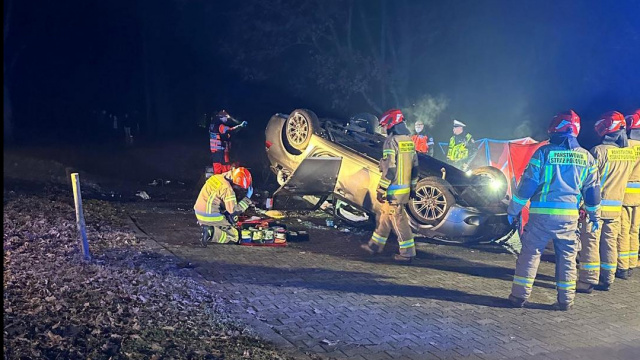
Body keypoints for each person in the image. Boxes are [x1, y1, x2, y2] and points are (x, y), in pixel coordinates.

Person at [507, 110, 600, 311]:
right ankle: (566, 300)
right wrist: (594, 216)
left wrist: (513, 209)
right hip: (569, 219)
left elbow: (527, 185)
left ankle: (518, 297)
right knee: (567, 258)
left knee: (530, 254)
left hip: (541, 217)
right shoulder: (587, 158)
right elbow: (592, 191)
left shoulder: (543, 152)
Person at [577, 111, 635, 292]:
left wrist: (582, 204)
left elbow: (590, 181)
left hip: (597, 208)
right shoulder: (627, 155)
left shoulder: (598, 152)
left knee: (591, 243)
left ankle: (588, 280)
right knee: (610, 243)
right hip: (616, 209)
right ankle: (607, 278)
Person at [360, 109, 419, 262]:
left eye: (386, 125)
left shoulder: (391, 142)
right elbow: (415, 167)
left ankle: (407, 254)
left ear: (392, 124)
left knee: (399, 220)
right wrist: (412, 187)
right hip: (405, 189)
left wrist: (381, 188)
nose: (385, 129)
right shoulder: (408, 140)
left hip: (393, 189)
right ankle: (375, 246)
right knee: (385, 216)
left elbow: (390, 169)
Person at [194, 167, 253, 246]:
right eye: (239, 188)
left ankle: (209, 226)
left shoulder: (216, 177)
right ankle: (211, 232)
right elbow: (233, 211)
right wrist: (247, 199)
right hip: (210, 216)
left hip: (199, 212)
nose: (239, 189)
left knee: (226, 217)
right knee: (235, 236)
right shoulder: (227, 189)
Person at [616, 109, 640, 278]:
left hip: (624, 195)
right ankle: (631, 263)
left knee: (622, 230)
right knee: (634, 230)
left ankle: (622, 267)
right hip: (639, 197)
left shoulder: (626, 147)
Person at [209, 110, 248, 174]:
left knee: (217, 167)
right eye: (226, 118)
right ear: (221, 117)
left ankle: (217, 180)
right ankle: (226, 180)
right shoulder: (220, 126)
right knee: (225, 167)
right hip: (221, 150)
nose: (226, 119)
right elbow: (230, 130)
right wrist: (240, 126)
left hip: (214, 150)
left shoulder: (213, 125)